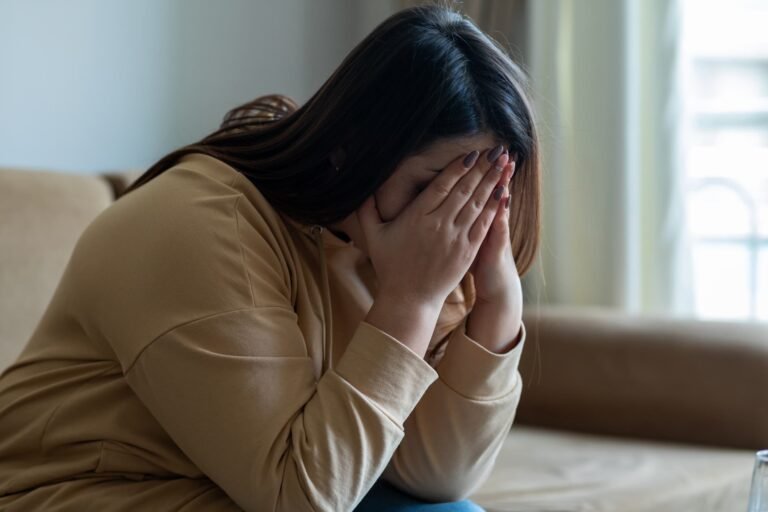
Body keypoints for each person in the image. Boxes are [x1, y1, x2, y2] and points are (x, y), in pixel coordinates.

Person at [0, 4, 540, 511]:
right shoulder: (199, 224)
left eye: (486, 195)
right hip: (83, 494)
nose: (458, 220)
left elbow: (432, 473)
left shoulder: (387, 249)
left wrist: (498, 297)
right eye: (436, 186)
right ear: (352, 147)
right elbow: (299, 497)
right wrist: (411, 301)